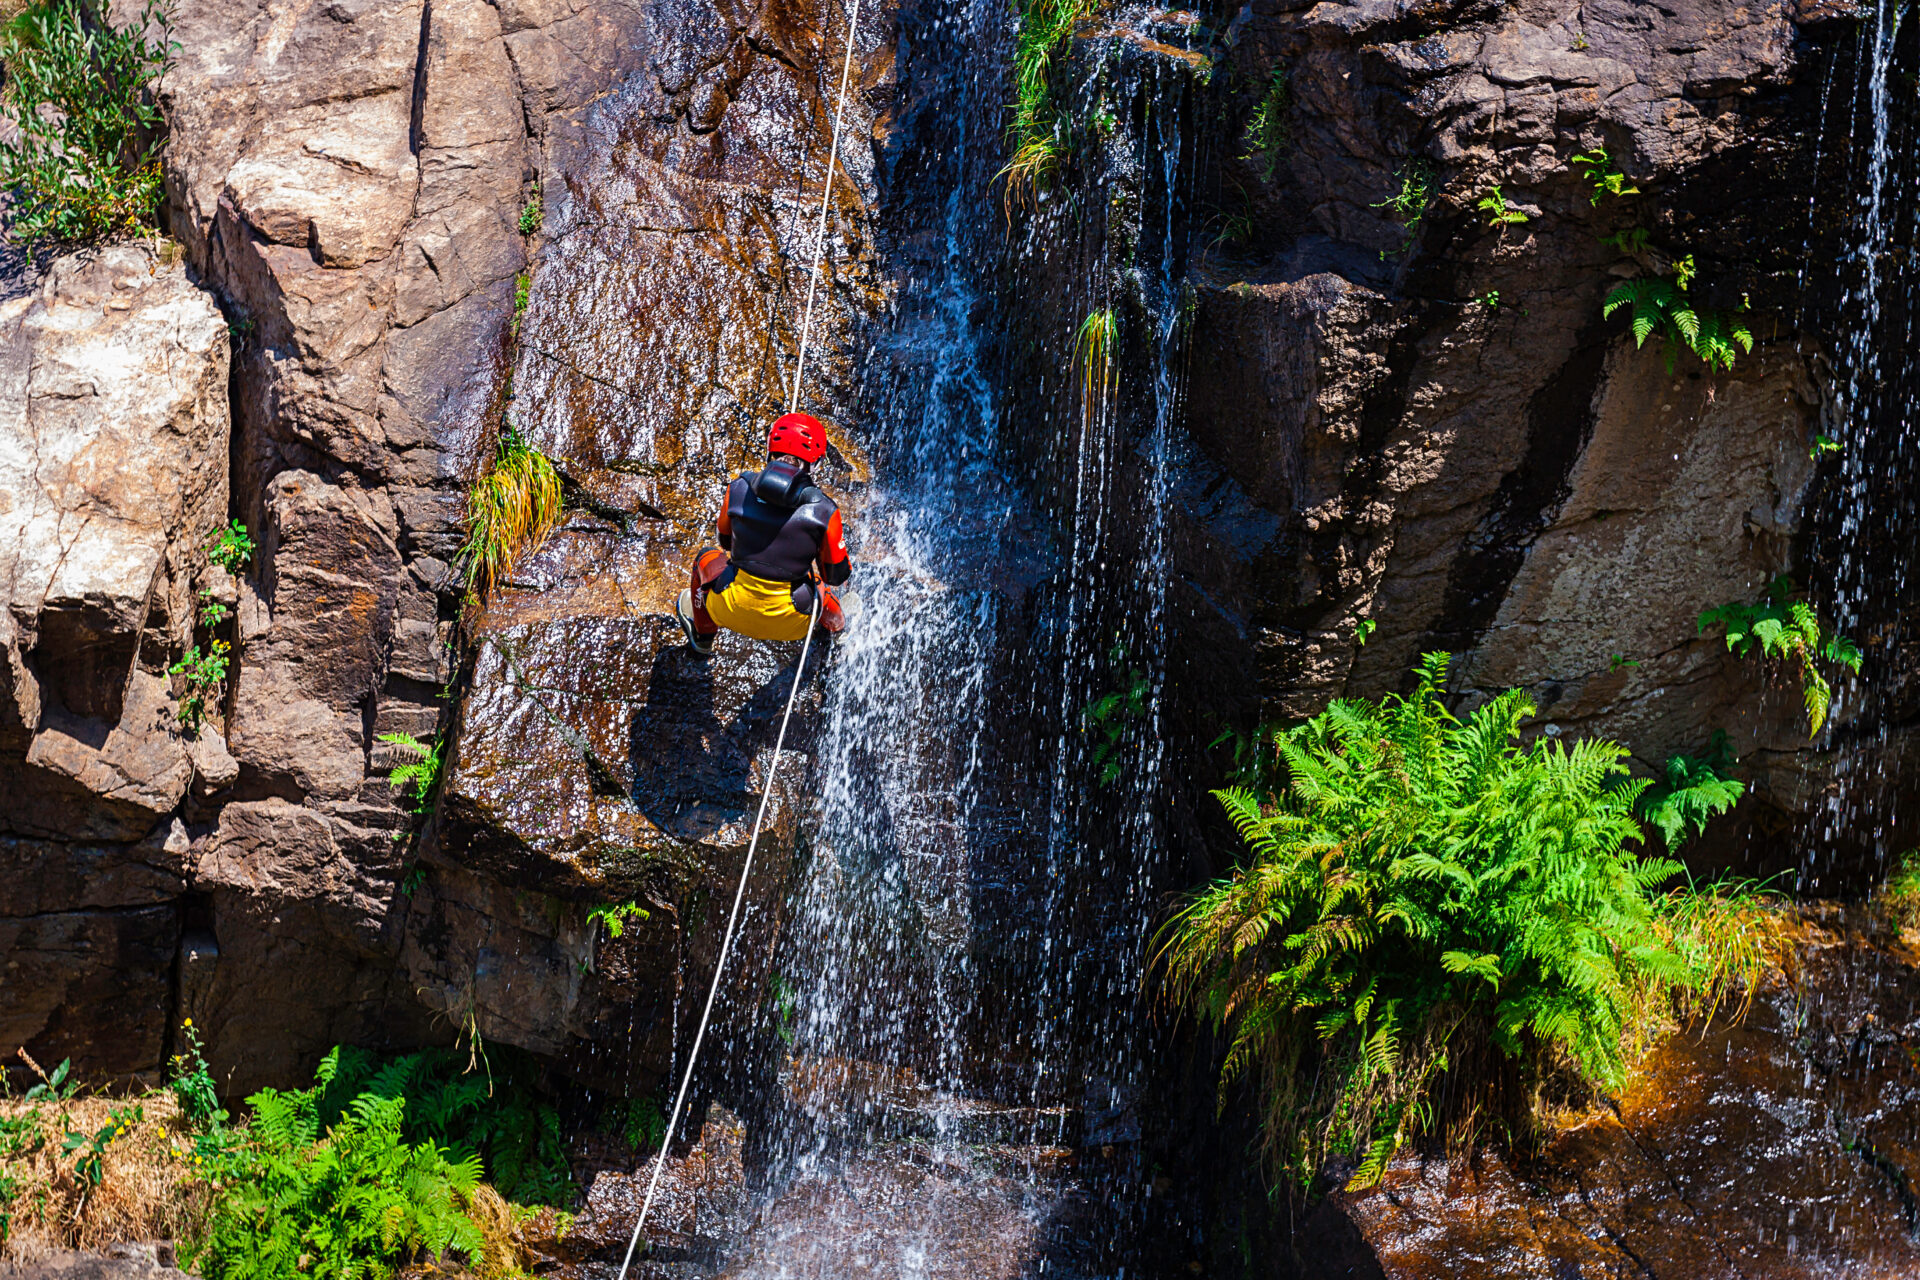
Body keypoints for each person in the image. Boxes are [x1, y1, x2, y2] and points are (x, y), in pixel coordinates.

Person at [675, 411, 850, 654]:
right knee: (820, 585)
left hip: (728, 608)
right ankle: (839, 629)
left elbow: (724, 540)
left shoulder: (739, 487)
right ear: (815, 462)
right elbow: (836, 575)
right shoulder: (825, 510)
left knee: (704, 558)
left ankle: (702, 637)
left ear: (770, 450)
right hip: (795, 623)